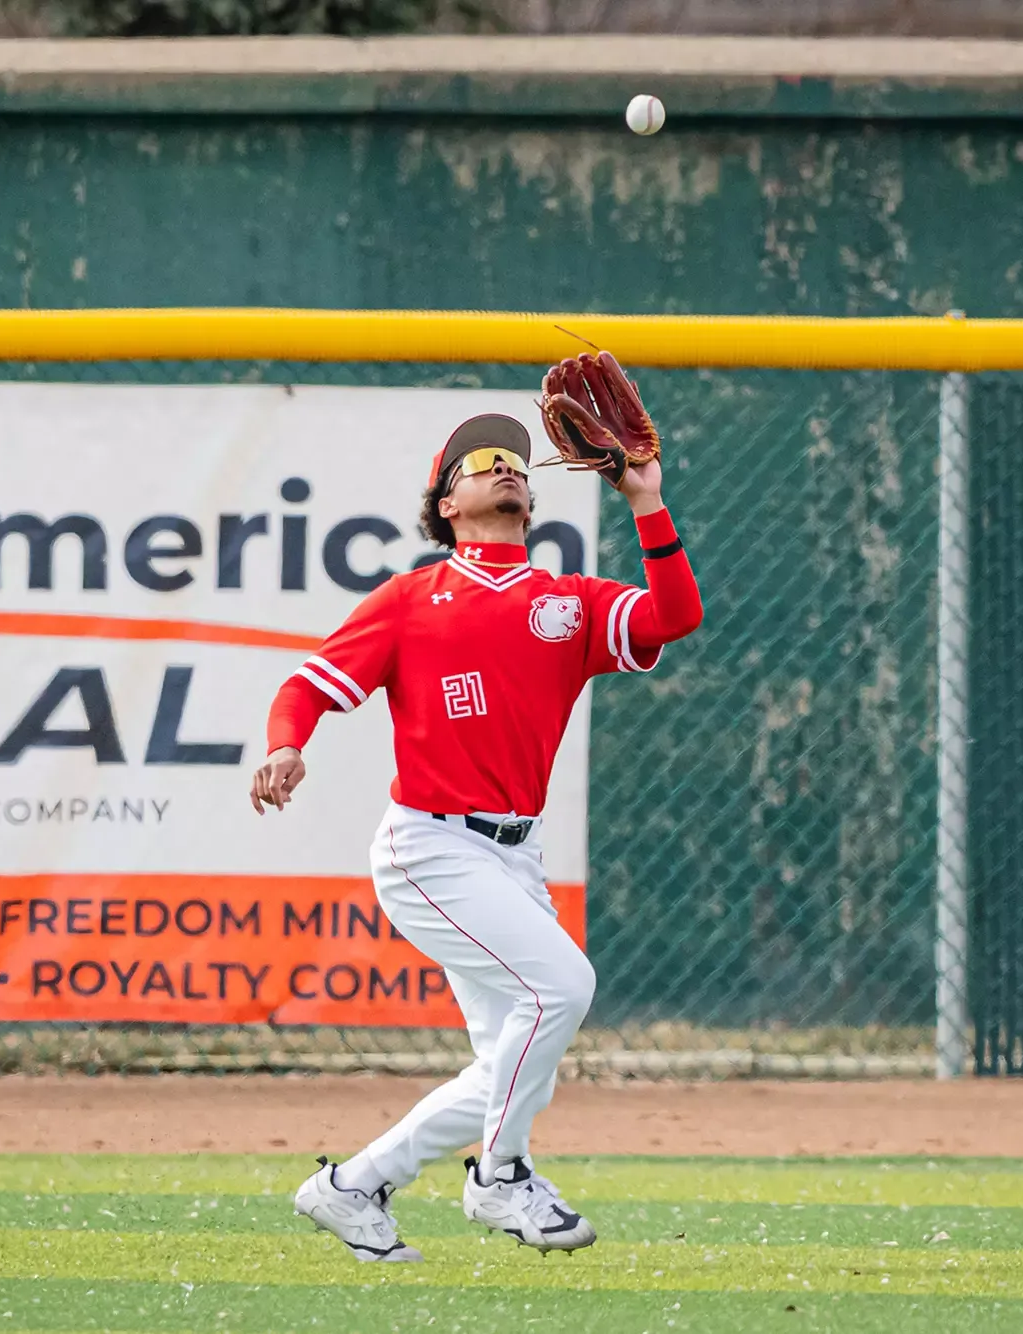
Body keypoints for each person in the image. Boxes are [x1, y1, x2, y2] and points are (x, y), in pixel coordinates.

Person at [251, 393, 702, 1262]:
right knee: (561, 990)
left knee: (509, 1069)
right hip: (429, 845)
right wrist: (284, 746)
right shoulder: (409, 600)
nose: (506, 470)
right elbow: (305, 687)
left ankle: (353, 1186)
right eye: (482, 464)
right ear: (447, 504)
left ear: (530, 503)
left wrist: (646, 499)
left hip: (514, 856)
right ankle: (500, 1177)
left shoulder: (567, 603)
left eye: (517, 466)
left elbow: (674, 618)